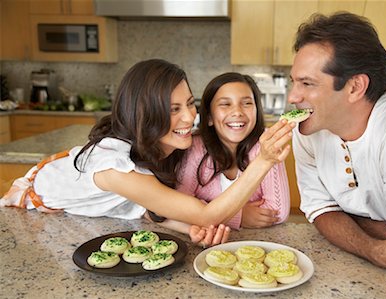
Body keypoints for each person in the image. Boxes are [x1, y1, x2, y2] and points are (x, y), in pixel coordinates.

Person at [1, 59, 295, 247]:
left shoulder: (160, 148)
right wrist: (264, 160)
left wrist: (187, 228)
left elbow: (151, 208)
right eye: (173, 110)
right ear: (145, 115)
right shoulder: (116, 168)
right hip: (35, 214)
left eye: (190, 104)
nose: (188, 117)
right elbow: (206, 214)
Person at [289, 12, 386, 274]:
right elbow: (319, 208)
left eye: (307, 83)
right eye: (293, 82)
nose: (293, 96)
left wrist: (341, 220)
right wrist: (376, 250)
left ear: (355, 87)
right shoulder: (310, 128)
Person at [161, 72, 290, 233]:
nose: (237, 112)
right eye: (225, 104)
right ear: (209, 117)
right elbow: (181, 204)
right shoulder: (196, 146)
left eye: (247, 103)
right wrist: (239, 216)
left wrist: (207, 209)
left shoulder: (266, 143)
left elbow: (278, 211)